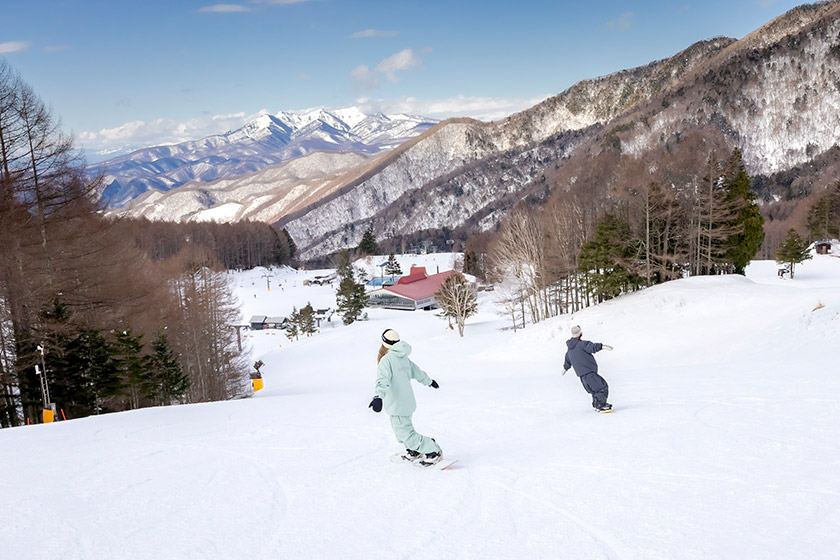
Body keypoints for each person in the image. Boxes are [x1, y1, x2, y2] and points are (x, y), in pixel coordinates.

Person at [369, 329, 443, 465]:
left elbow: (383, 381)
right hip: (407, 402)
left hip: (397, 404)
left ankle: (432, 449)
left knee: (405, 434)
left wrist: (378, 397)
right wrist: (429, 381)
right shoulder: (403, 357)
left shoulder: (387, 360)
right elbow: (417, 372)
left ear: (384, 343)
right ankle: (414, 450)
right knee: (403, 431)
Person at [562, 325, 614, 412]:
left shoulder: (570, 350)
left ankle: (596, 404)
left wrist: (565, 368)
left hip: (582, 377)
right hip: (590, 373)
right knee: (602, 387)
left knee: (594, 390)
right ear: (580, 334)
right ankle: (601, 405)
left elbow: (567, 360)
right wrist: (602, 346)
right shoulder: (582, 344)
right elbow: (592, 347)